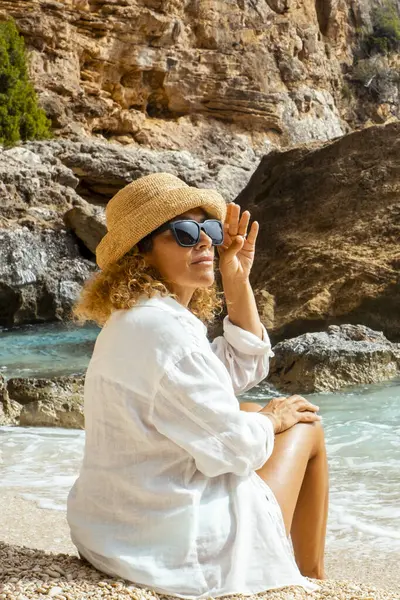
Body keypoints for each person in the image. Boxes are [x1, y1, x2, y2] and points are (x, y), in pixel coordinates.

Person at [67, 173, 328, 599]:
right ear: (141, 253)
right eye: (185, 233)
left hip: (112, 531)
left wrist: (237, 279)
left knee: (250, 414)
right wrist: (272, 419)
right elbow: (235, 450)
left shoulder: (141, 319)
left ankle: (308, 572)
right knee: (304, 427)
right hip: (169, 550)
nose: (205, 241)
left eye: (208, 228)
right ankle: (312, 577)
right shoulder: (166, 332)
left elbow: (236, 371)